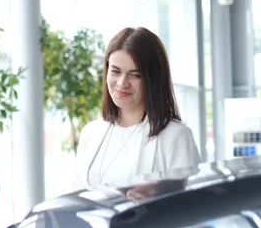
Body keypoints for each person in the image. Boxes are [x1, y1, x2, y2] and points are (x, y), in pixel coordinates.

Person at [72, 27, 201, 191]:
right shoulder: (90, 133)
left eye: (135, 75)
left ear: (153, 80)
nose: (122, 83)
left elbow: (188, 206)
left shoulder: (176, 137)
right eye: (115, 72)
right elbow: (76, 197)